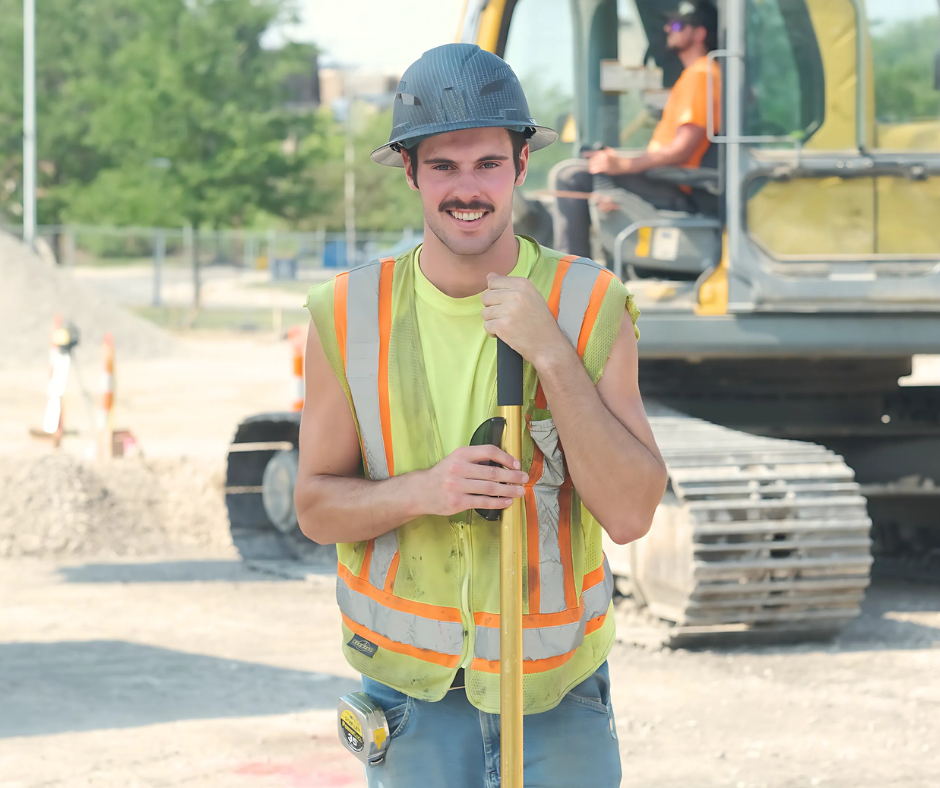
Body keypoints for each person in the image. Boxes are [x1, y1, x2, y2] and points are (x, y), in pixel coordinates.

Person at [295, 43, 667, 788]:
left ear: (521, 165)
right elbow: (314, 506)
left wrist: (553, 357)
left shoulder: (590, 305)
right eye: (443, 166)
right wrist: (426, 490)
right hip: (414, 702)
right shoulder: (346, 312)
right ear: (409, 171)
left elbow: (630, 513)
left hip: (557, 695)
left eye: (488, 164)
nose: (468, 189)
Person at [553, 0, 721, 258]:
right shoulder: (696, 75)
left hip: (677, 184)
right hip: (665, 176)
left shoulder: (701, 75)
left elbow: (681, 150)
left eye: (677, 24)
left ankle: (569, 277)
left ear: (699, 33)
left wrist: (623, 166)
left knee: (571, 176)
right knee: (587, 166)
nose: (667, 29)